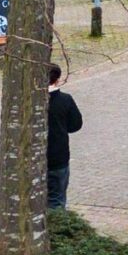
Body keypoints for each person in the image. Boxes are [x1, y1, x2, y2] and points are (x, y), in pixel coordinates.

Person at [46, 62, 83, 210]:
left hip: (31, 159)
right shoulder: (65, 100)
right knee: (56, 200)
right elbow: (75, 125)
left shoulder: (28, 100)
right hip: (58, 157)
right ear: (57, 79)